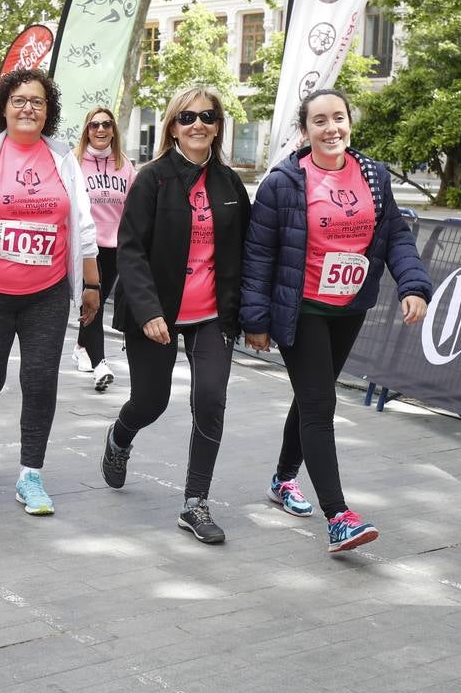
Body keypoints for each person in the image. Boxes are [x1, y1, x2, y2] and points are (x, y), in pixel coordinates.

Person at [241, 89, 432, 554]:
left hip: (349, 307)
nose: (332, 129)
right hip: (300, 307)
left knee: (312, 398)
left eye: (339, 118)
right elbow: (259, 255)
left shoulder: (372, 174)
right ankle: (339, 517)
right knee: (320, 405)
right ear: (305, 131)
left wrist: (413, 285)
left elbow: (395, 237)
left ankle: (284, 479)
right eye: (320, 121)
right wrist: (256, 320)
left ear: (350, 122)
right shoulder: (284, 182)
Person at [0, 68, 100, 516]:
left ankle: (31, 474)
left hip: (46, 292)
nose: (28, 108)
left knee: (41, 379)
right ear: (3, 106)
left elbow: (83, 227)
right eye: (19, 100)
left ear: (48, 111)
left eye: (38, 101)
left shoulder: (64, 158)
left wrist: (90, 284)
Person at [101, 88, 250, 544]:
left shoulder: (230, 184)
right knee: (151, 401)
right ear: (172, 125)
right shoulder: (152, 179)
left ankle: (194, 503)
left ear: (219, 125)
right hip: (156, 314)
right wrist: (147, 311)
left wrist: (251, 317)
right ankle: (119, 437)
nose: (198, 124)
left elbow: (247, 253)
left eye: (208, 116)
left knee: (210, 399)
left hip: (212, 316)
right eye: (187, 117)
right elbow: (129, 249)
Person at [71, 105, 134, 392]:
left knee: (94, 303)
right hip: (86, 246)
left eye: (106, 125)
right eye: (94, 125)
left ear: (113, 130)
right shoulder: (73, 162)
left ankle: (82, 345)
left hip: (114, 248)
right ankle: (100, 365)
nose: (100, 130)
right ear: (87, 129)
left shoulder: (124, 165)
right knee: (91, 301)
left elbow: (134, 208)